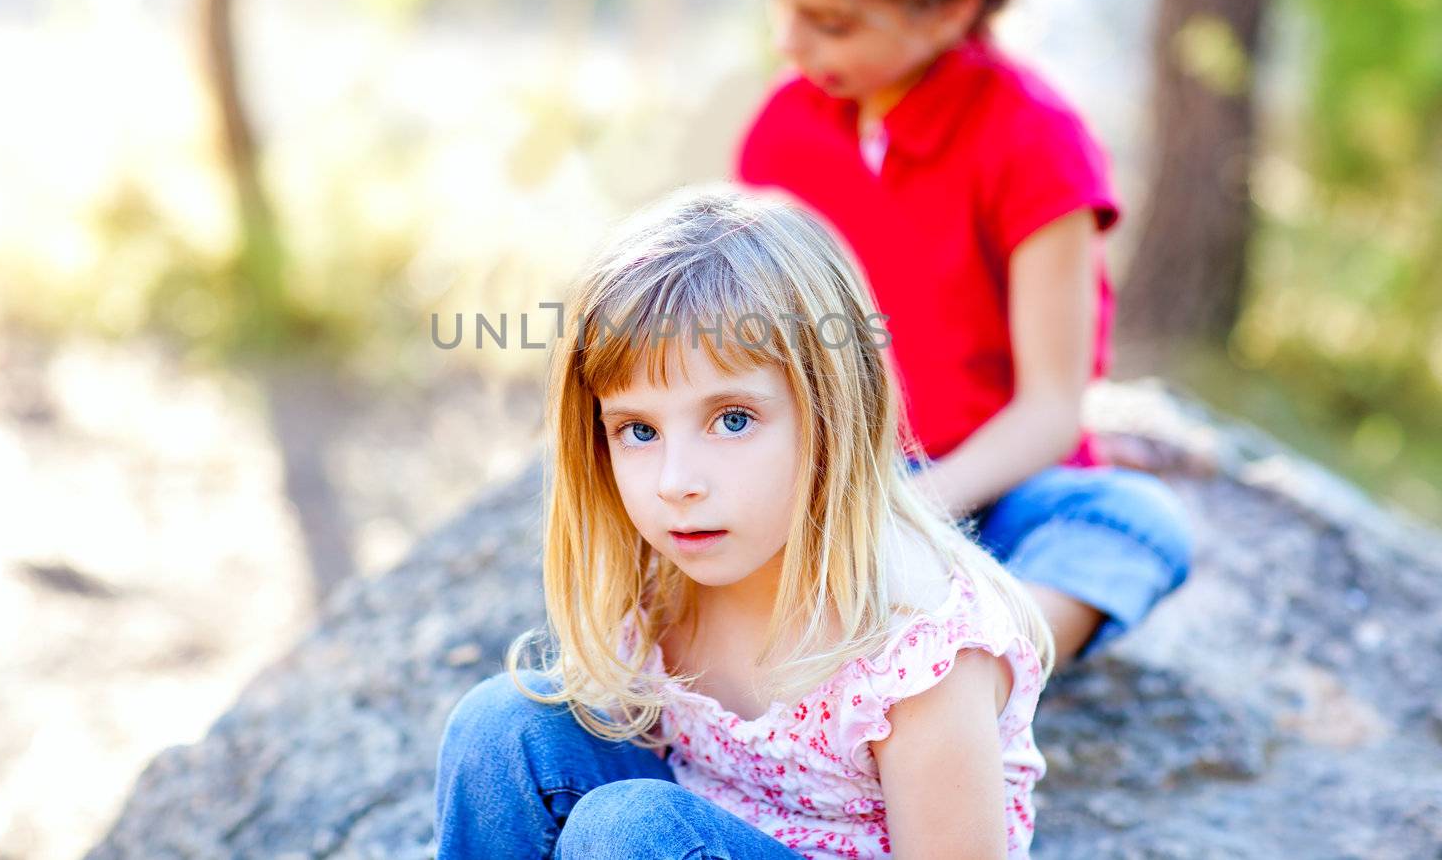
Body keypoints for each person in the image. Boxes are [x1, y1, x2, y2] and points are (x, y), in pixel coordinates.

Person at [435, 186, 1054, 858]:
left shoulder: (915, 646)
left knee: (630, 831)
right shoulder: (663, 586)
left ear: (832, 410)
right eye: (638, 429)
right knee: (504, 724)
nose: (677, 482)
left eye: (732, 419)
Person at [733, 0, 1192, 668]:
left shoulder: (1035, 144)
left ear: (951, 8)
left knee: (1134, 524)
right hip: (831, 482)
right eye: (778, 2)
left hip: (987, 492)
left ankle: (970, 679)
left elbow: (1052, 407)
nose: (788, 41)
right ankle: (847, 648)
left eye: (829, 22)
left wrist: (909, 514)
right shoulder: (783, 130)